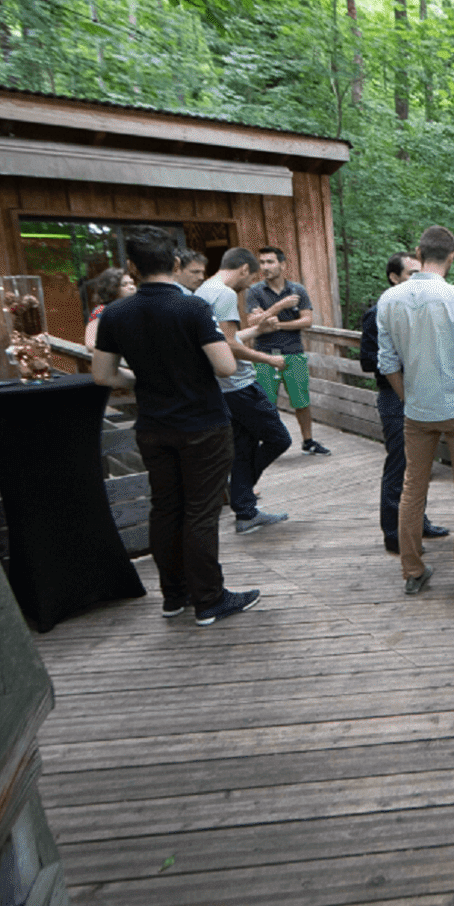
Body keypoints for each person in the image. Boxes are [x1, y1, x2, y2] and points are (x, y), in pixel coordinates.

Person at [90, 226, 260, 626]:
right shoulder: (193, 308)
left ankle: (174, 596)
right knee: (201, 512)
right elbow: (225, 365)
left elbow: (103, 375)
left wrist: (142, 380)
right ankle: (210, 599)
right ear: (176, 262)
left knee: (165, 509)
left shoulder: (115, 313)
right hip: (202, 423)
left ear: (132, 265)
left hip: (152, 425)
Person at [375, 226, 454, 601]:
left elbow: (387, 363)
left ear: (418, 252)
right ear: (451, 257)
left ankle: (413, 571)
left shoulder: (389, 299)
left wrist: (409, 397)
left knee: (412, 489)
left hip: (417, 410)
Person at [193, 247, 294, 535]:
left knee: (244, 447)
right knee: (279, 439)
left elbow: (223, 338)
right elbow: (230, 346)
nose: (250, 285)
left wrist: (257, 330)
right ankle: (240, 492)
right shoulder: (224, 294)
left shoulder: (203, 290)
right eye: (251, 278)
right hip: (239, 385)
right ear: (243, 270)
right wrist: (269, 359)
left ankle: (246, 512)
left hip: (221, 388)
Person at [358, 252, 448, 553]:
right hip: (394, 398)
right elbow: (368, 361)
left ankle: (417, 523)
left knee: (419, 467)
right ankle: (393, 534)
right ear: (394, 278)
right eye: (411, 273)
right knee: (399, 465)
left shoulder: (418, 310)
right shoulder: (377, 313)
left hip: (422, 396)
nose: (417, 279)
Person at [246, 246, 330, 456]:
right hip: (264, 354)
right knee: (266, 403)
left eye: (270, 262)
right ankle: (269, 443)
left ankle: (308, 442)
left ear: (282, 265)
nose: (265, 267)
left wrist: (278, 325)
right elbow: (253, 321)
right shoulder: (255, 291)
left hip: (294, 352)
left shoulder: (297, 290)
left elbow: (307, 320)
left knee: (301, 401)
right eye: (262, 262)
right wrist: (280, 306)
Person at [83, 267, 136, 351]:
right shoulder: (101, 311)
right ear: (112, 288)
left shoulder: (134, 309)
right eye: (124, 285)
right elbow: (90, 343)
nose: (131, 287)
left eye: (132, 283)